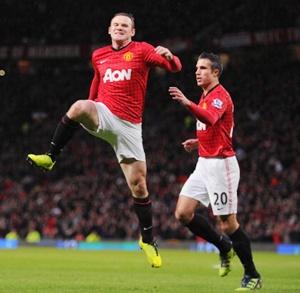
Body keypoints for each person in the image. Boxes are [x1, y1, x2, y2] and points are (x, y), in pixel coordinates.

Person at [27, 12, 182, 268]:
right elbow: (96, 83)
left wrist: (171, 57)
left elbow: (174, 68)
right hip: (105, 113)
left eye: (125, 26)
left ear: (132, 32)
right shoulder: (99, 55)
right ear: (109, 30)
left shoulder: (142, 50)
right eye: (116, 25)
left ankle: (147, 240)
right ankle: (51, 157)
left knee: (139, 186)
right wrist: (91, 106)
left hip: (130, 126)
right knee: (78, 106)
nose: (120, 28)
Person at [168, 52, 262, 290]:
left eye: (203, 68)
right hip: (204, 162)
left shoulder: (219, 96)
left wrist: (186, 103)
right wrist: (197, 142)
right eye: (196, 68)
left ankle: (252, 275)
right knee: (183, 213)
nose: (197, 72)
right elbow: (220, 129)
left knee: (228, 224)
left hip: (222, 166)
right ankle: (223, 246)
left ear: (216, 72)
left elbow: (210, 119)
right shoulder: (206, 95)